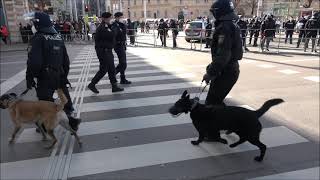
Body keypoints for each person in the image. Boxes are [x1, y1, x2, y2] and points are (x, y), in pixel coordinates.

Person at [25, 12, 81, 132]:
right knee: (65, 99)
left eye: (33, 23)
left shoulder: (38, 38)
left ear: (38, 24)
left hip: (45, 77)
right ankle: (71, 120)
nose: (32, 25)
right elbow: (66, 60)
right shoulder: (58, 36)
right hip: (59, 74)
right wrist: (64, 75)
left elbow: (34, 63)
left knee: (45, 102)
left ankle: (45, 126)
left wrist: (30, 78)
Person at [202, 0, 243, 138]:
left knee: (211, 104)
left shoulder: (224, 27)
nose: (213, 15)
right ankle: (234, 124)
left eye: (214, 13)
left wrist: (210, 73)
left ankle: (212, 135)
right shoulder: (231, 25)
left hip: (226, 71)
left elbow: (223, 56)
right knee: (217, 101)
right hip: (229, 70)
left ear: (220, 12)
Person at [87, 12, 124, 94]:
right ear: (104, 18)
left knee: (110, 69)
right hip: (103, 51)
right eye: (109, 18)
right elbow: (111, 35)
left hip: (107, 50)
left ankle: (114, 86)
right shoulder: (102, 27)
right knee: (105, 69)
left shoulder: (106, 26)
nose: (110, 20)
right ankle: (92, 84)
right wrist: (115, 28)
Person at [112, 12, 131, 84]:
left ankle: (122, 79)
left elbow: (124, 34)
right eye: (121, 17)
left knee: (122, 63)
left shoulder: (121, 25)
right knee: (123, 63)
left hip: (122, 45)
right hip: (118, 45)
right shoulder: (115, 25)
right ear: (117, 17)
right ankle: (113, 75)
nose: (122, 18)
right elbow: (114, 35)